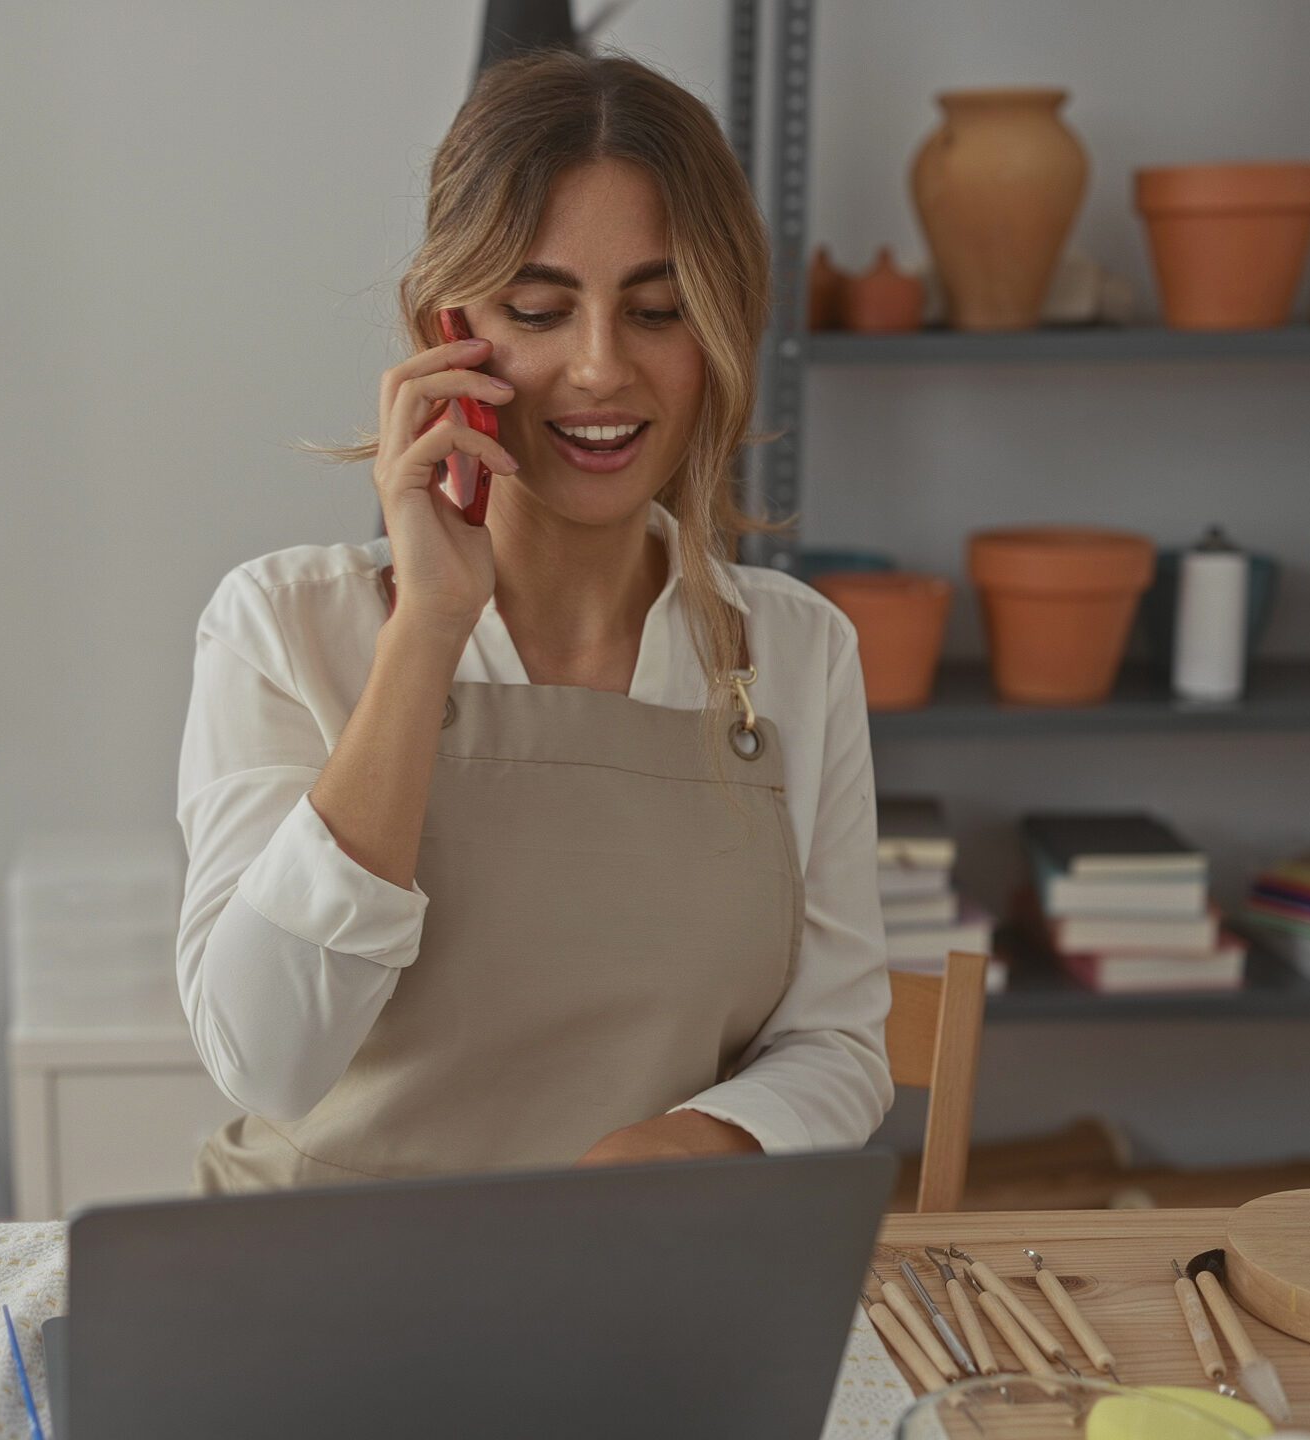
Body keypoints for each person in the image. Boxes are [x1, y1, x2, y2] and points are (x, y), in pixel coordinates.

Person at [175, 48, 890, 1192]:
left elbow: (837, 1046)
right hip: (310, 1291)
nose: (600, 366)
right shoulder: (284, 624)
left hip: (628, 1282)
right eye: (539, 309)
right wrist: (426, 634)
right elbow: (263, 1058)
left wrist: (691, 1141)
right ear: (445, 332)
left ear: (717, 336)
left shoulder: (795, 653)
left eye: (655, 310)